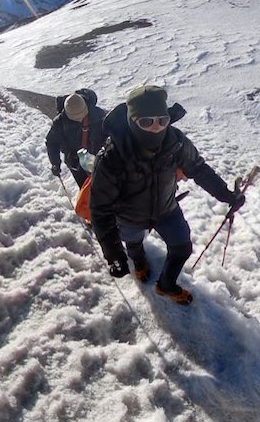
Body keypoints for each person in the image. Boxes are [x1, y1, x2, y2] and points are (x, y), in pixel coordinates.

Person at [89, 85, 244, 305]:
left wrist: (227, 195)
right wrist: (113, 253)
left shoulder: (175, 141)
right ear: (133, 121)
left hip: (166, 209)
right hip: (129, 216)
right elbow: (100, 207)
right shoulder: (114, 155)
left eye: (162, 120)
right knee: (134, 245)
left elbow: (198, 168)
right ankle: (139, 262)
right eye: (146, 122)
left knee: (182, 247)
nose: (155, 128)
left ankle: (166, 285)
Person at [46, 89, 107, 188]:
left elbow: (107, 132)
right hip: (75, 160)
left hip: (96, 156)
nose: (80, 119)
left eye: (82, 115)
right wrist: (55, 163)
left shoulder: (97, 114)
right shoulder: (60, 122)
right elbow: (52, 142)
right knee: (84, 186)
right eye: (76, 118)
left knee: (102, 185)